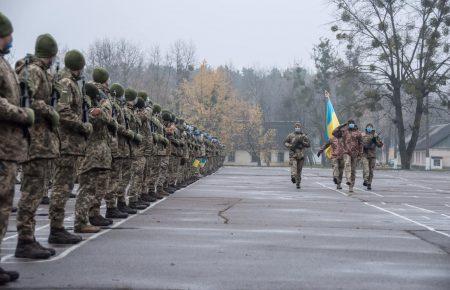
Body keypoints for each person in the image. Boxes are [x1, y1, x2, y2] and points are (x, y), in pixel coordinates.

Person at [15, 33, 61, 259]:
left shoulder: (43, 71)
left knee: (35, 192)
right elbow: (24, 98)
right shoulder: (34, 71)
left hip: (42, 142)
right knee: (31, 193)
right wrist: (48, 110)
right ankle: (25, 240)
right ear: (49, 54)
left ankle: (29, 238)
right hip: (34, 141)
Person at [0, 11, 34, 284]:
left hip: (9, 148)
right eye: (9, 34)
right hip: (3, 147)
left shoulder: (5, 64)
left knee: (4, 205)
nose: (12, 39)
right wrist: (23, 114)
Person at [48, 50, 91, 244]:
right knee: (61, 187)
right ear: (77, 66)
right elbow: (63, 111)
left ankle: (58, 228)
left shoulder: (72, 83)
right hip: (66, 144)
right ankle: (55, 228)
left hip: (72, 145)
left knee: (64, 188)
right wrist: (82, 125)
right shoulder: (66, 83)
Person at [73, 82, 111, 233]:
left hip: (98, 154)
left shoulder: (94, 107)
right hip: (89, 154)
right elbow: (102, 117)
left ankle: (92, 215)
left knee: (96, 187)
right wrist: (104, 105)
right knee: (86, 189)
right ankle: (80, 221)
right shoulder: (86, 107)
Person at [332, 120, 363, 193]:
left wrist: (360, 154)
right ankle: (348, 180)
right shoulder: (344, 131)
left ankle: (351, 186)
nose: (351, 125)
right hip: (346, 152)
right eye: (349, 124)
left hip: (355, 153)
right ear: (348, 124)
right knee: (347, 164)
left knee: (353, 171)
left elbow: (361, 144)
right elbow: (334, 133)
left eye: (352, 123)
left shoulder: (358, 133)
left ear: (354, 124)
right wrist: (342, 125)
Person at [284, 122, 310, 189]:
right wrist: (290, 145)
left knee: (299, 170)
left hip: (301, 155)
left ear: (300, 127)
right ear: (294, 127)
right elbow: (285, 142)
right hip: (293, 154)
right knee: (294, 166)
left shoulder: (303, 136)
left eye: (298, 127)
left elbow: (308, 144)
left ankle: (298, 183)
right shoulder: (290, 135)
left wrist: (302, 142)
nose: (297, 128)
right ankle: (293, 176)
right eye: (296, 127)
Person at [361, 123, 383, 190]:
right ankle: (365, 180)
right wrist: (363, 146)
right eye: (368, 127)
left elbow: (380, 145)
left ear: (372, 128)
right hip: (364, 154)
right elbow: (359, 143)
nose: (369, 128)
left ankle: (369, 183)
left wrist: (375, 141)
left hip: (372, 155)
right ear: (366, 128)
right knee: (366, 168)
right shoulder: (362, 135)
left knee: (371, 170)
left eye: (370, 127)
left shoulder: (375, 135)